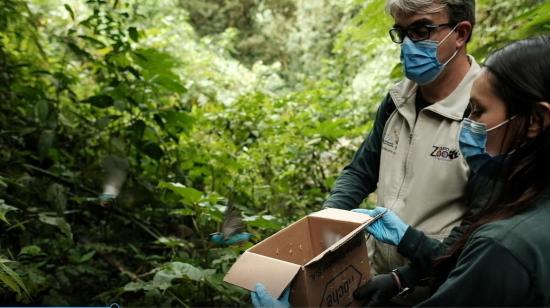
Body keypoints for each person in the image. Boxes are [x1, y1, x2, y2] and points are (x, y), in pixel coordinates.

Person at [352, 35, 550, 306]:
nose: (467, 124)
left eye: (479, 111)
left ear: (536, 120)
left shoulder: (502, 246)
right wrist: (403, 278)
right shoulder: (526, 200)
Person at [324, 0, 478, 303]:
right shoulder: (398, 99)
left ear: (460, 34)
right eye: (401, 33)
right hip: (375, 282)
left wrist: (403, 278)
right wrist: (327, 221)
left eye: (421, 30)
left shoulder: (486, 113)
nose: (407, 45)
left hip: (439, 292)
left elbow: (478, 231)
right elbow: (360, 171)